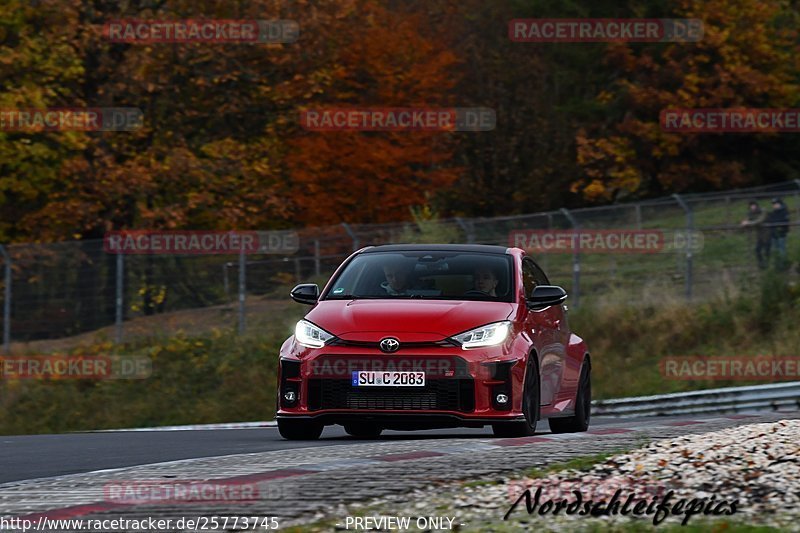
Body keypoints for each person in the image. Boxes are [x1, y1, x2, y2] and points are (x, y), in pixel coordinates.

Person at [740, 201, 770, 269]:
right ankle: (761, 264)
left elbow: (760, 220)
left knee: (767, 250)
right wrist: (743, 223)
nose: (752, 207)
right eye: (751, 206)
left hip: (767, 233)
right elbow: (746, 220)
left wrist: (748, 223)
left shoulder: (763, 210)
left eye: (753, 205)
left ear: (757, 205)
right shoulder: (750, 213)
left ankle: (768, 264)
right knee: (757, 250)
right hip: (759, 235)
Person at [765, 198, 790, 269]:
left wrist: (774, 222)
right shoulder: (774, 212)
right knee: (775, 250)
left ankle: (783, 265)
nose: (774, 205)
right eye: (773, 204)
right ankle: (777, 265)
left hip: (781, 234)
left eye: (775, 204)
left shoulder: (784, 211)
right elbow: (770, 221)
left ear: (780, 204)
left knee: (782, 250)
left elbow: (784, 221)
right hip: (774, 234)